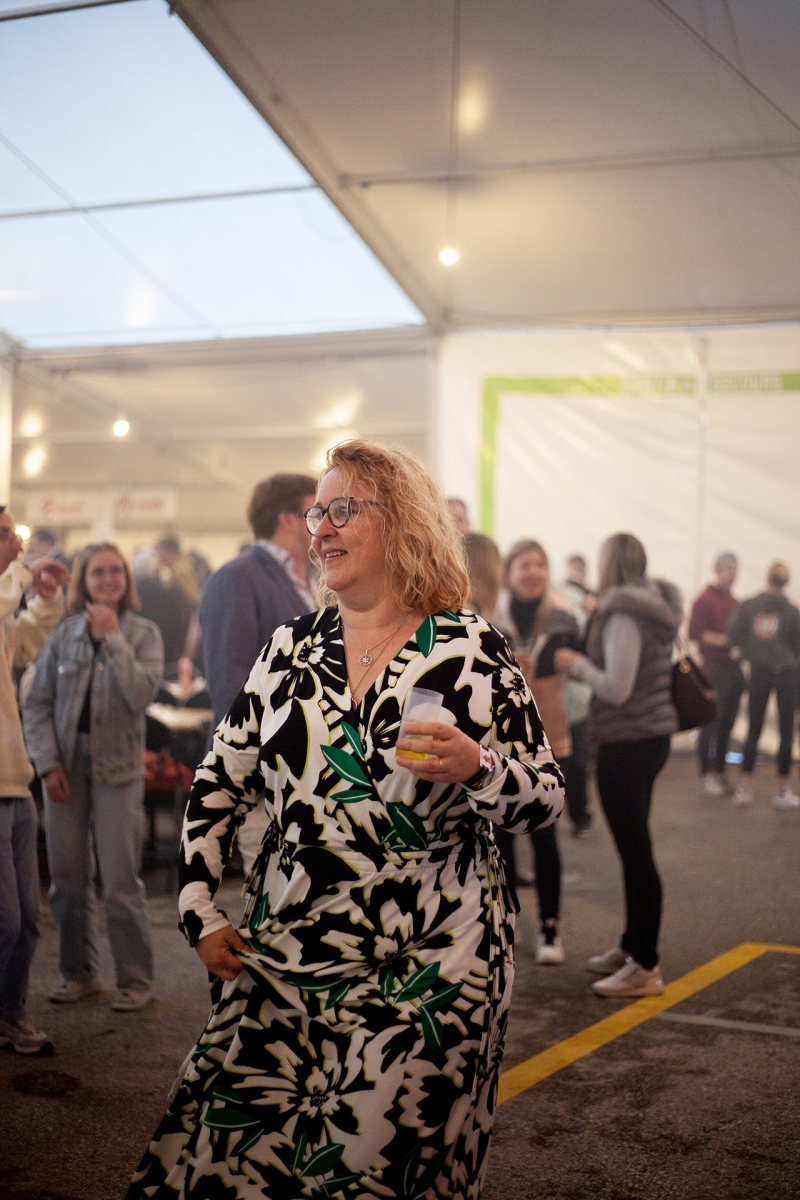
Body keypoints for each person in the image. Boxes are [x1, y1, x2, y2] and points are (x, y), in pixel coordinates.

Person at [128, 440, 564, 1200]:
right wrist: (197, 903)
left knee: (376, 1174)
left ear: (400, 522)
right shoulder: (289, 649)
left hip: (431, 970)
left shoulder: (470, 650)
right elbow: (219, 778)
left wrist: (478, 766)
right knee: (228, 1160)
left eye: (341, 510)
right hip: (285, 957)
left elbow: (545, 796)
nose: (320, 529)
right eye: (315, 514)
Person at [23, 543, 164, 1013]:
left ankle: (135, 979)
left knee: (120, 881)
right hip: (64, 768)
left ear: (127, 577)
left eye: (116, 571)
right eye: (98, 572)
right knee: (66, 879)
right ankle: (78, 974)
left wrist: (114, 639)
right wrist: (47, 765)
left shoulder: (143, 633)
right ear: (83, 579)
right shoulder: (63, 634)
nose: (109, 579)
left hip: (118, 770)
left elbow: (141, 695)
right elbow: (36, 704)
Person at [555, 532, 681, 999]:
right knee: (635, 849)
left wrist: (576, 664)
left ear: (610, 564)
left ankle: (644, 965)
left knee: (636, 852)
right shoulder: (654, 605)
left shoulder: (624, 613)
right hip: (650, 736)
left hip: (627, 741)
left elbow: (616, 688)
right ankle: (633, 944)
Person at [199, 473, 317, 877]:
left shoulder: (312, 578)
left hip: (310, 773)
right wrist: (270, 755)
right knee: (273, 893)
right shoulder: (238, 576)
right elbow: (229, 679)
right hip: (266, 772)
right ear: (287, 519)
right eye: (315, 512)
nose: (325, 522)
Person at [492, 539, 586, 964]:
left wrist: (571, 662)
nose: (534, 572)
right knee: (502, 837)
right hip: (501, 739)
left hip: (549, 736)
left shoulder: (562, 618)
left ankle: (550, 928)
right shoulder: (492, 619)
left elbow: (580, 660)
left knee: (545, 834)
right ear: (509, 572)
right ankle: (505, 923)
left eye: (540, 564)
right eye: (525, 564)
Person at [0, 507, 67, 1055]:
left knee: (26, 921)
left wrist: (45, 598)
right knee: (4, 920)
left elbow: (29, 640)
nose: (16, 545)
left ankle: (10, 1013)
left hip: (13, 782)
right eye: (6, 536)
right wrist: (24, 575)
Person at [727, 561, 800, 809]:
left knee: (753, 730)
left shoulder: (749, 606)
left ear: (767, 578)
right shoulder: (792, 612)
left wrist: (746, 652)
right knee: (786, 733)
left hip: (760, 672)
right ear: (786, 581)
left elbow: (733, 634)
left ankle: (745, 787)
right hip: (787, 674)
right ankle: (781, 790)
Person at [688, 552, 744, 795]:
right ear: (718, 570)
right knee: (710, 723)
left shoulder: (735, 603)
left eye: (735, 568)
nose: (733, 573)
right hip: (713, 670)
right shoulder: (704, 600)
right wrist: (725, 641)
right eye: (729, 568)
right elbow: (695, 633)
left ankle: (720, 771)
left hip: (733, 670)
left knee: (727, 724)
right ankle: (706, 774)